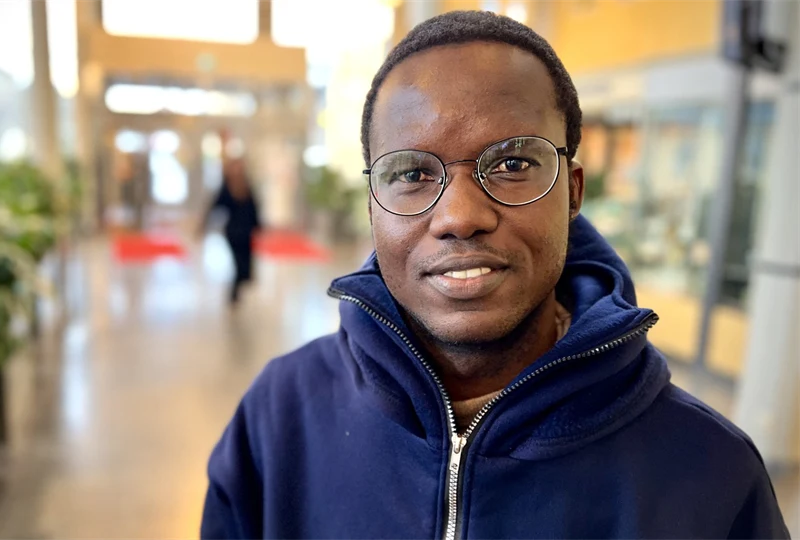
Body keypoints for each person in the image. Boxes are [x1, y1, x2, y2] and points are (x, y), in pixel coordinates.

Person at [201, 11, 789, 540]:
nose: (459, 216)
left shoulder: (708, 473)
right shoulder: (278, 421)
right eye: (411, 173)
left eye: (512, 164)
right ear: (374, 203)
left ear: (572, 192)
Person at [202, 158, 261, 305]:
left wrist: (258, 225)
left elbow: (254, 207)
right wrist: (203, 224)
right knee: (238, 262)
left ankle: (243, 280)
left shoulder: (247, 186)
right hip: (233, 231)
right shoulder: (227, 187)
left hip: (247, 231)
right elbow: (215, 205)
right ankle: (234, 292)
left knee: (246, 260)